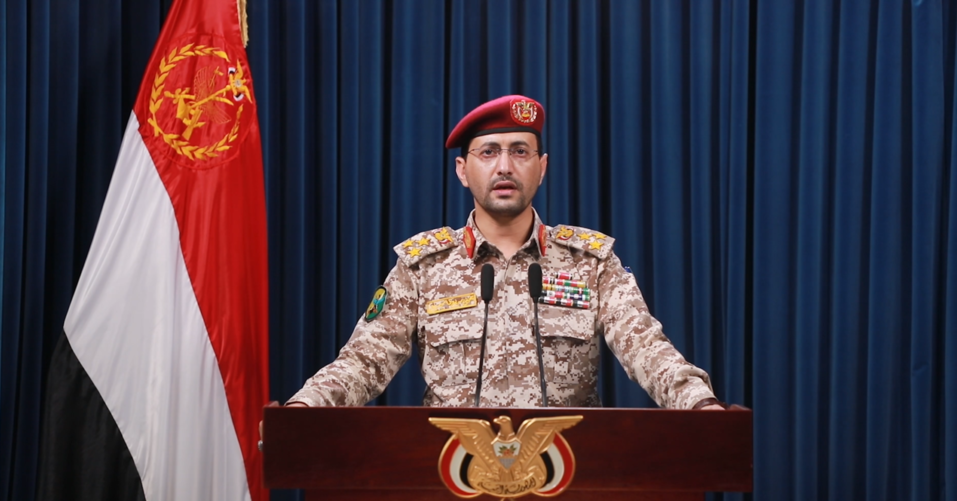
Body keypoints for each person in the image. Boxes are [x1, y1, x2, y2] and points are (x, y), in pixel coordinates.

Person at [286, 95, 725, 411]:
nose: (504, 167)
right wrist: (306, 407)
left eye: (520, 151)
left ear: (542, 167)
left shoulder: (590, 263)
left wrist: (699, 405)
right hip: (453, 478)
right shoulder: (424, 267)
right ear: (463, 170)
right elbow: (365, 359)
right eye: (489, 152)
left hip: (566, 476)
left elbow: (646, 348)